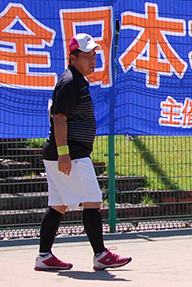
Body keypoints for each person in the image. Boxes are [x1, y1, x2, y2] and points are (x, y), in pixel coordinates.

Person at [35, 33, 132, 272]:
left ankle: (44, 256)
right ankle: (101, 255)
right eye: (87, 56)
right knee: (92, 201)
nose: (92, 60)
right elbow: (59, 119)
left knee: (58, 205)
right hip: (72, 154)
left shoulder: (76, 80)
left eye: (94, 55)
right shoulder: (70, 82)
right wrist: (64, 153)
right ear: (73, 57)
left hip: (65, 153)